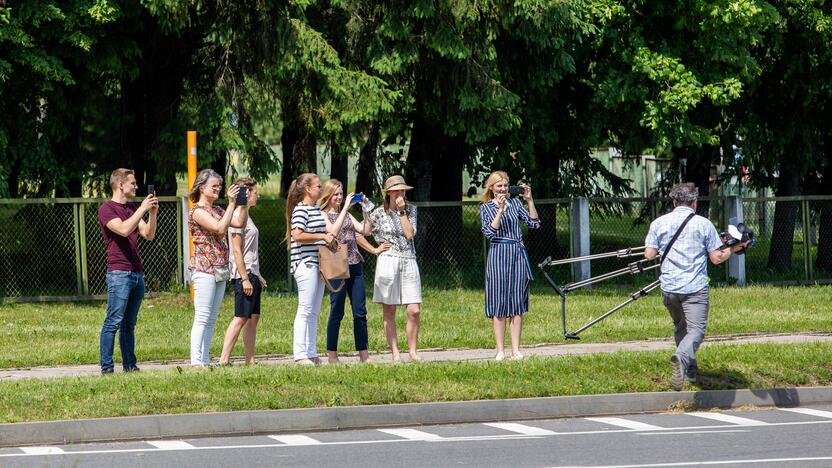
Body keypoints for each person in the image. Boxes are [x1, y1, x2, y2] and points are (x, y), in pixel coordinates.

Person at [644, 182, 750, 391]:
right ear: (694, 202)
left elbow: (649, 254)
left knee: (680, 327)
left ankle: (689, 369)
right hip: (694, 288)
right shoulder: (703, 224)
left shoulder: (658, 223)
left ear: (674, 201)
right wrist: (737, 247)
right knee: (697, 330)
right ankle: (681, 358)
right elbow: (717, 258)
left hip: (669, 288)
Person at [318, 180, 392, 364]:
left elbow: (365, 230)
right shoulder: (323, 215)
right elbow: (332, 232)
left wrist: (365, 209)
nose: (339, 197)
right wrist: (344, 210)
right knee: (337, 311)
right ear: (328, 195)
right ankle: (332, 355)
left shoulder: (349, 215)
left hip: (355, 265)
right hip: (336, 267)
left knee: (360, 312)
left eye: (341, 194)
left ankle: (363, 354)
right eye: (336, 194)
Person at [97, 168, 158, 374]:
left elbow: (147, 235)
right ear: (120, 185)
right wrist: (141, 209)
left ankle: (130, 366)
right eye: (133, 183)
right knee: (113, 321)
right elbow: (123, 229)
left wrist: (152, 213)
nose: (136, 186)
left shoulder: (133, 208)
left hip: (136, 272)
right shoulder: (106, 209)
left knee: (129, 324)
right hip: (119, 273)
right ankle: (107, 367)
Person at [479, 171, 540, 361]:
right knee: (499, 304)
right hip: (498, 255)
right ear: (491, 188)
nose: (503, 189)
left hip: (517, 254)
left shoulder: (515, 204)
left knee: (517, 304)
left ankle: (515, 350)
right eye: (499, 186)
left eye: (505, 186)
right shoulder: (486, 208)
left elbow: (534, 224)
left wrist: (529, 201)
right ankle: (500, 350)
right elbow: (490, 232)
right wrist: (500, 210)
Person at [188, 169, 245, 367]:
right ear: (202, 188)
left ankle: (204, 359)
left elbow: (239, 222)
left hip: (220, 268)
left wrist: (242, 203)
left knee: (212, 317)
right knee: (202, 316)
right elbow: (220, 228)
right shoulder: (197, 211)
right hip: (204, 268)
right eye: (214, 186)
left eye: (219, 186)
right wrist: (231, 204)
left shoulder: (219, 210)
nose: (218, 189)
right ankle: (196, 362)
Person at [369, 175, 422, 362]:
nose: (401, 193)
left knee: (414, 309)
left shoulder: (411, 210)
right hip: (388, 259)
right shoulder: (377, 213)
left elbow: (409, 234)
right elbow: (363, 231)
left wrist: (401, 212)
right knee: (389, 309)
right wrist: (374, 249)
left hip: (408, 258)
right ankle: (395, 352)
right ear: (389, 193)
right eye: (397, 190)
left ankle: (413, 351)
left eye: (403, 190)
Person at [286, 173, 335, 365]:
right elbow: (297, 235)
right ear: (307, 189)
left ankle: (311, 351)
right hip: (305, 263)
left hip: (318, 263)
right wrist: (322, 237)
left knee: (314, 310)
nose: (321, 189)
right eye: (318, 187)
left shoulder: (314, 208)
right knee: (305, 309)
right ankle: (299, 354)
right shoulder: (301, 210)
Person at [218, 178, 266, 366]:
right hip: (242, 275)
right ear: (244, 194)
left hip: (252, 272)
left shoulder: (246, 215)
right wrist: (245, 278)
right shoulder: (237, 216)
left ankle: (250, 360)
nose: (258, 195)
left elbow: (250, 250)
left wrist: (257, 274)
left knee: (253, 317)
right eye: (254, 192)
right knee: (241, 317)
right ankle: (223, 359)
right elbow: (236, 250)